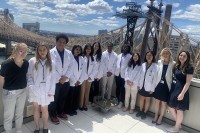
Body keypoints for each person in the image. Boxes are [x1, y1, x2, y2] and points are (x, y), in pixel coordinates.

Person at [0, 43, 29, 133]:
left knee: (19, 113)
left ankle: (18, 130)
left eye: (25, 52)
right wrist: (3, 91)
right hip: (9, 92)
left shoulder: (26, 63)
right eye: (21, 51)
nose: (23, 54)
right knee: (8, 115)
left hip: (22, 91)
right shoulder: (6, 64)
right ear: (15, 51)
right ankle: (8, 131)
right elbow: (1, 79)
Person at [27, 43, 55, 133]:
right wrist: (31, 86)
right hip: (35, 88)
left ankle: (45, 126)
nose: (42, 52)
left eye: (44, 50)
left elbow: (53, 78)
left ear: (47, 51)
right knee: (35, 108)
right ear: (37, 51)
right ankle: (37, 127)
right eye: (40, 50)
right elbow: (28, 75)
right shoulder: (32, 61)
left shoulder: (52, 62)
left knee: (45, 109)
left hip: (47, 89)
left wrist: (51, 90)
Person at [48, 34, 73, 124]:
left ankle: (60, 112)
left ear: (66, 43)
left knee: (63, 97)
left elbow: (71, 66)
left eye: (64, 42)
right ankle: (52, 114)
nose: (61, 44)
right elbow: (50, 67)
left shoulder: (69, 53)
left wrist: (65, 77)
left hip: (65, 80)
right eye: (60, 42)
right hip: (55, 81)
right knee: (54, 98)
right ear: (56, 42)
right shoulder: (50, 52)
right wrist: (60, 78)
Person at [166, 51, 194, 133]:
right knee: (171, 107)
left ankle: (176, 128)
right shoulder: (176, 66)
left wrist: (182, 94)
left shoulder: (189, 67)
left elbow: (188, 82)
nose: (182, 57)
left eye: (184, 56)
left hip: (182, 91)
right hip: (174, 89)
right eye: (180, 55)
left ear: (187, 58)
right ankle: (179, 124)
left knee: (179, 110)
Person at [153, 48, 175, 125]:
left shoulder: (173, 64)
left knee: (164, 103)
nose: (165, 55)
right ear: (161, 55)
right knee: (157, 102)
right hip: (158, 85)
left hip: (166, 86)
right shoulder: (159, 62)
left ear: (169, 54)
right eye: (164, 53)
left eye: (167, 53)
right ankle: (155, 116)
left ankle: (160, 117)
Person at [136, 51, 157, 119]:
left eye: (150, 55)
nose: (149, 56)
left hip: (149, 87)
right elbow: (139, 75)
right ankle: (140, 110)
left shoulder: (155, 66)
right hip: (142, 85)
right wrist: (138, 84)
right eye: (147, 55)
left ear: (153, 57)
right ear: (145, 56)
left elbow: (155, 79)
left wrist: (152, 89)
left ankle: (145, 112)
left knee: (148, 100)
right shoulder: (143, 64)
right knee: (141, 99)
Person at [67, 45, 85, 115]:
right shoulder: (70, 58)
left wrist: (79, 81)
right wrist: (74, 81)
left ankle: (74, 108)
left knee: (76, 96)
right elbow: (69, 71)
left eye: (79, 50)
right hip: (72, 82)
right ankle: (69, 110)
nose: (78, 51)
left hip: (78, 82)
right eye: (76, 49)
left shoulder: (81, 58)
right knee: (70, 97)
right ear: (73, 50)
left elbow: (83, 71)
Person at [79, 44, 96, 111]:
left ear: (91, 50)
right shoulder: (82, 57)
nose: (88, 50)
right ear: (85, 49)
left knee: (87, 91)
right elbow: (81, 69)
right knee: (82, 91)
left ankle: (85, 105)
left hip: (90, 78)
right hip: (83, 78)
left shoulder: (93, 58)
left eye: (89, 49)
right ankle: (81, 105)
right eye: (87, 49)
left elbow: (95, 68)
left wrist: (91, 76)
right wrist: (86, 76)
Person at [115, 44, 132, 108]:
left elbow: (130, 67)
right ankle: (116, 100)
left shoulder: (130, 56)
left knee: (123, 89)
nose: (125, 48)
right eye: (124, 47)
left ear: (128, 49)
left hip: (124, 76)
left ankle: (121, 101)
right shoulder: (119, 56)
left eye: (126, 48)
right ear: (122, 48)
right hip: (117, 74)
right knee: (117, 88)